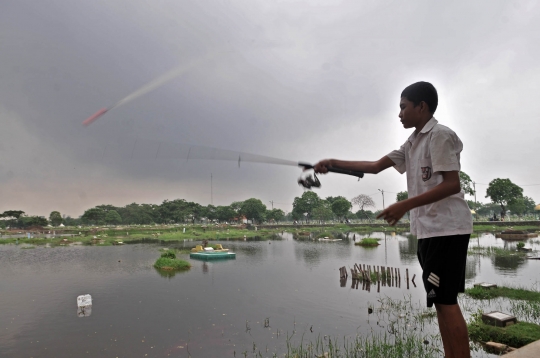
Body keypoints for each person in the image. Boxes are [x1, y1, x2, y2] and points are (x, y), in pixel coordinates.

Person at [314, 81, 473, 358]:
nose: (399, 114)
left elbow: (451, 184)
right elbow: (375, 166)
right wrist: (333, 163)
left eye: (403, 107)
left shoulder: (440, 136)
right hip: (428, 232)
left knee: (446, 302)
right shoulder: (412, 143)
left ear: (421, 107)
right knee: (439, 301)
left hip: (447, 230)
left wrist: (403, 205)